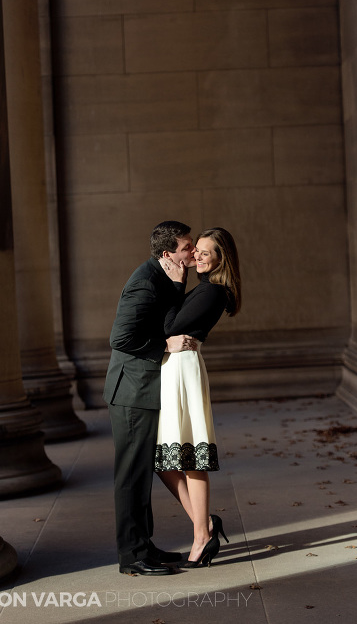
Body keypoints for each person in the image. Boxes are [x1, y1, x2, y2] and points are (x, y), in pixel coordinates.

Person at [103, 220, 198, 576]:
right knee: (131, 476)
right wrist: (165, 345)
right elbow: (121, 338)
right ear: (167, 253)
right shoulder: (144, 282)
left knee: (143, 471)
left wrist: (178, 282)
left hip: (143, 390)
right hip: (130, 393)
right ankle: (132, 557)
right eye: (187, 247)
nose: (192, 252)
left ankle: (144, 547)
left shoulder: (167, 275)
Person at [155, 227, 241, 568]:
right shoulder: (203, 289)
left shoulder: (212, 292)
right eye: (197, 251)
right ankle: (204, 525)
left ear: (221, 260)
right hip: (174, 368)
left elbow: (168, 326)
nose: (197, 257)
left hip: (183, 371)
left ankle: (202, 536)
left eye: (205, 253)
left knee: (189, 456)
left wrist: (176, 284)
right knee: (165, 459)